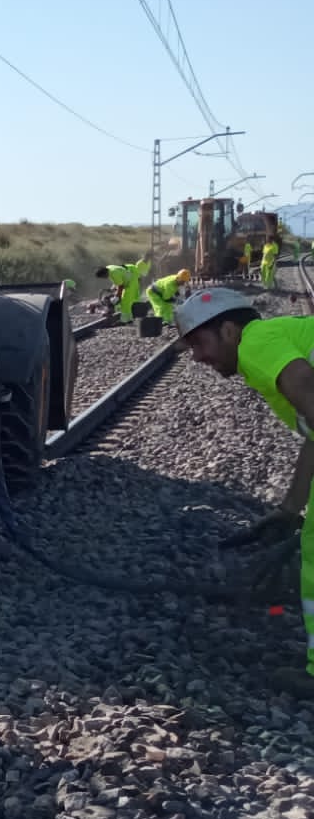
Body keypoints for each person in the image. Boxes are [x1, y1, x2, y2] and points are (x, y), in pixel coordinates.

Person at [175, 286, 314, 688]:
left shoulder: (256, 344)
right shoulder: (277, 338)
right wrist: (290, 508)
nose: (198, 357)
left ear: (231, 331)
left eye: (199, 343)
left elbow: (306, 384)